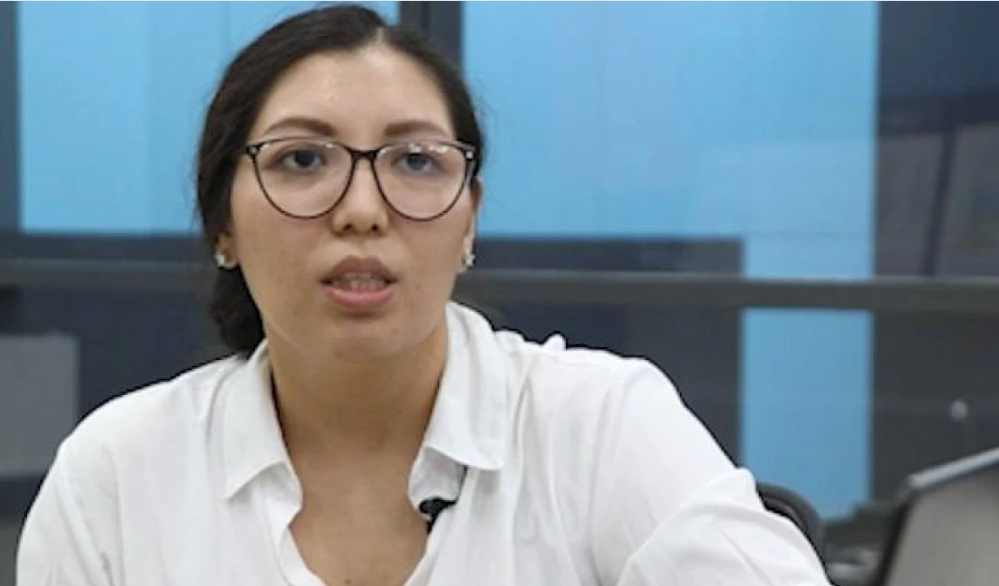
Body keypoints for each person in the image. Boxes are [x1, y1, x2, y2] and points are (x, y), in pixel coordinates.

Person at [17, 5, 831, 586]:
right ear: (222, 224)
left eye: (414, 162)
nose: (362, 210)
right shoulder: (118, 471)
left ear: (468, 219)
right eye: (302, 160)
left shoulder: (598, 425)